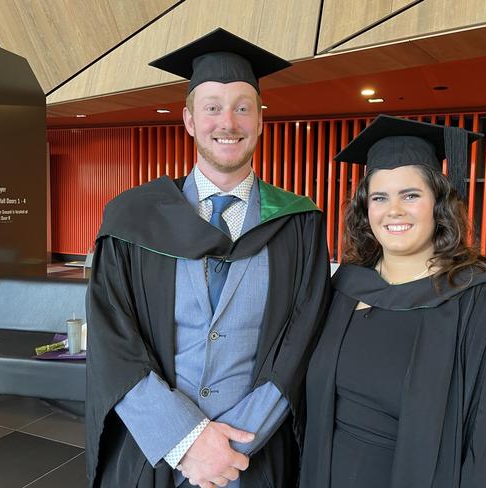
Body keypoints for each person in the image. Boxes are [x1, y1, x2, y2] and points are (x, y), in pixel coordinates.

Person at [85, 28, 330, 488]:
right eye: (213, 107)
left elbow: (301, 341)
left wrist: (231, 447)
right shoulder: (132, 219)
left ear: (260, 119)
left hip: (253, 458)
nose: (228, 122)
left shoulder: (300, 223)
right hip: (155, 453)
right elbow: (112, 338)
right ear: (190, 121)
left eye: (242, 107)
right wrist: (186, 440)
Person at [300, 115, 486, 488]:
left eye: (410, 195)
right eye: (380, 197)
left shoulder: (484, 304)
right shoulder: (343, 290)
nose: (393, 210)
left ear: (439, 204)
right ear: (366, 211)